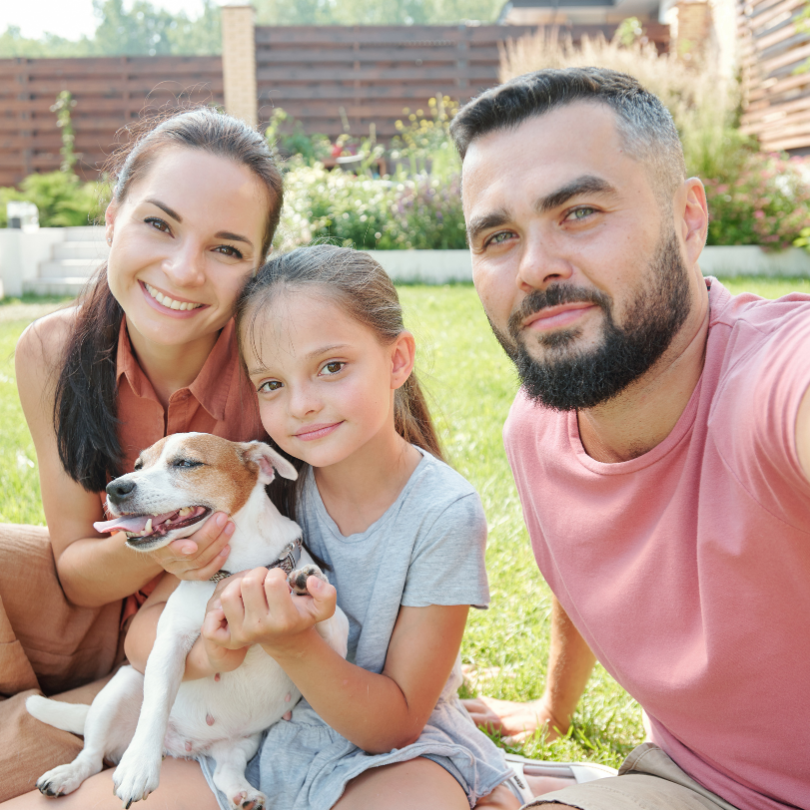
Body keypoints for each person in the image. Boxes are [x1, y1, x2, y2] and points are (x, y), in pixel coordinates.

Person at [451, 66, 810, 810]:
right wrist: (555, 708)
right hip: (702, 785)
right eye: (497, 236)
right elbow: (580, 566)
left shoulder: (775, 384)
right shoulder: (536, 429)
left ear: (688, 218)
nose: (534, 267)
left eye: (579, 212)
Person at [0, 107, 283, 806]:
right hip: (95, 611)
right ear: (113, 217)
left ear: (258, 266)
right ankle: (34, 717)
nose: (183, 270)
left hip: (212, 640)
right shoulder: (52, 350)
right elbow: (75, 575)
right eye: (158, 224)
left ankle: (36, 736)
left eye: (226, 248)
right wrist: (167, 536)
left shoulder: (282, 360)